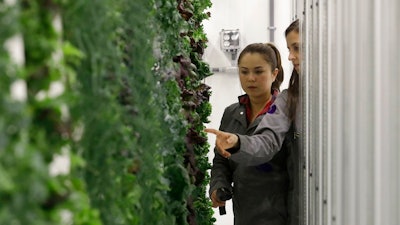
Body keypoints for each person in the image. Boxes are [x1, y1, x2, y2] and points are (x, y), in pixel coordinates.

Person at [206, 19, 301, 225]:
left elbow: (264, 144)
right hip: (244, 215)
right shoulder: (232, 113)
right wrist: (218, 186)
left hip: (277, 216)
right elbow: (221, 161)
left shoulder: (282, 110)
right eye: (244, 71)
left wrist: (237, 142)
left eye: (258, 72)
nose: (250, 79)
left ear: (274, 73)